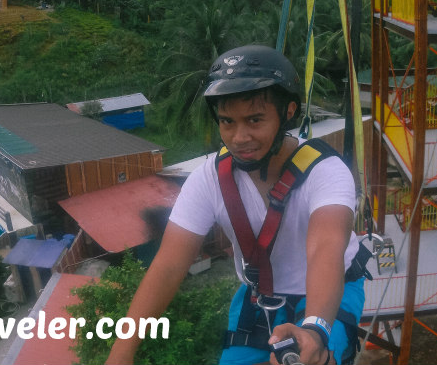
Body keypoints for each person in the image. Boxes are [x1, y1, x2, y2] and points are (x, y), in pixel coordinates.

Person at [106, 45, 367, 365]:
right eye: (227, 122)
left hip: (328, 291)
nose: (239, 136)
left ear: (288, 112)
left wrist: (315, 330)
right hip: (260, 296)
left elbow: (325, 249)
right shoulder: (209, 180)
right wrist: (122, 350)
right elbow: (169, 265)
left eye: (255, 120)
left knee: (318, 359)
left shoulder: (325, 170)